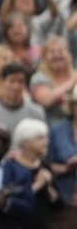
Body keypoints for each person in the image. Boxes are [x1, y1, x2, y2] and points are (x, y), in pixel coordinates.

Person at [12, 119, 64, 229]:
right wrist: (37, 185)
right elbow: (12, 204)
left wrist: (48, 187)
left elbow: (59, 205)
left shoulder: (45, 164)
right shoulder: (11, 167)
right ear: (26, 142)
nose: (46, 142)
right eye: (41, 138)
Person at [0, 63, 46, 133]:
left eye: (20, 82)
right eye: (12, 81)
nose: (16, 87)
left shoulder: (35, 112)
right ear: (1, 82)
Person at [31, 37, 77, 126]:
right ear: (44, 57)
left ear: (69, 54)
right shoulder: (38, 78)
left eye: (60, 51)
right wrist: (71, 82)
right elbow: (45, 101)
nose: (56, 55)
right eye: (52, 52)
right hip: (50, 128)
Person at [48, 89, 77, 228]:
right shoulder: (57, 130)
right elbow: (46, 165)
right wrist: (65, 168)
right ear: (72, 106)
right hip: (65, 200)